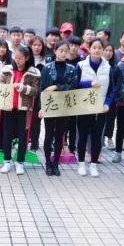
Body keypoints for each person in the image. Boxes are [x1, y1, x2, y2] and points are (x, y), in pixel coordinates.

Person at [0, 46, 41, 175]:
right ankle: (6, 161)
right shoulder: (7, 69)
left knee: (23, 137)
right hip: (8, 108)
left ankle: (20, 162)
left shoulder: (33, 72)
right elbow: (0, 85)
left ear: (27, 58)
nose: (17, 61)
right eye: (15, 58)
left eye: (20, 58)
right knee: (7, 135)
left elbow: (35, 91)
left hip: (24, 110)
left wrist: (22, 87)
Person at [40, 41, 78, 176]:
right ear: (55, 51)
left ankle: (56, 163)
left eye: (65, 51)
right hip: (50, 105)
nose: (63, 53)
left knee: (60, 135)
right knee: (48, 135)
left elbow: (73, 86)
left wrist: (57, 87)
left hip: (64, 106)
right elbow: (43, 88)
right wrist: (41, 107)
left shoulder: (71, 68)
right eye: (60, 50)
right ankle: (48, 163)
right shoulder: (47, 68)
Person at [76, 38, 113, 177]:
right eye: (94, 47)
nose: (97, 50)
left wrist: (107, 104)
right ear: (89, 49)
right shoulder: (81, 65)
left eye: (99, 48)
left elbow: (111, 90)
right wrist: (89, 84)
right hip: (84, 108)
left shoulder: (108, 67)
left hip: (100, 109)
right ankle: (81, 164)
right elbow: (75, 84)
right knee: (82, 137)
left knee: (97, 138)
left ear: (103, 50)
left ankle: (93, 165)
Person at [29, 36, 48, 150]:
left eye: (39, 45)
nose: (36, 47)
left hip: (40, 94)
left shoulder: (46, 61)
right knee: (26, 119)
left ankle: (34, 143)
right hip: (27, 93)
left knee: (36, 119)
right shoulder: (27, 59)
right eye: (34, 45)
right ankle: (23, 141)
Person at [102, 43, 118, 150]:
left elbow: (118, 84)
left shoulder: (115, 68)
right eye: (106, 50)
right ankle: (101, 138)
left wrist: (113, 95)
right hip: (99, 96)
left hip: (111, 98)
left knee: (111, 120)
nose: (108, 53)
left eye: (110, 51)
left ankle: (109, 138)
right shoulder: (100, 66)